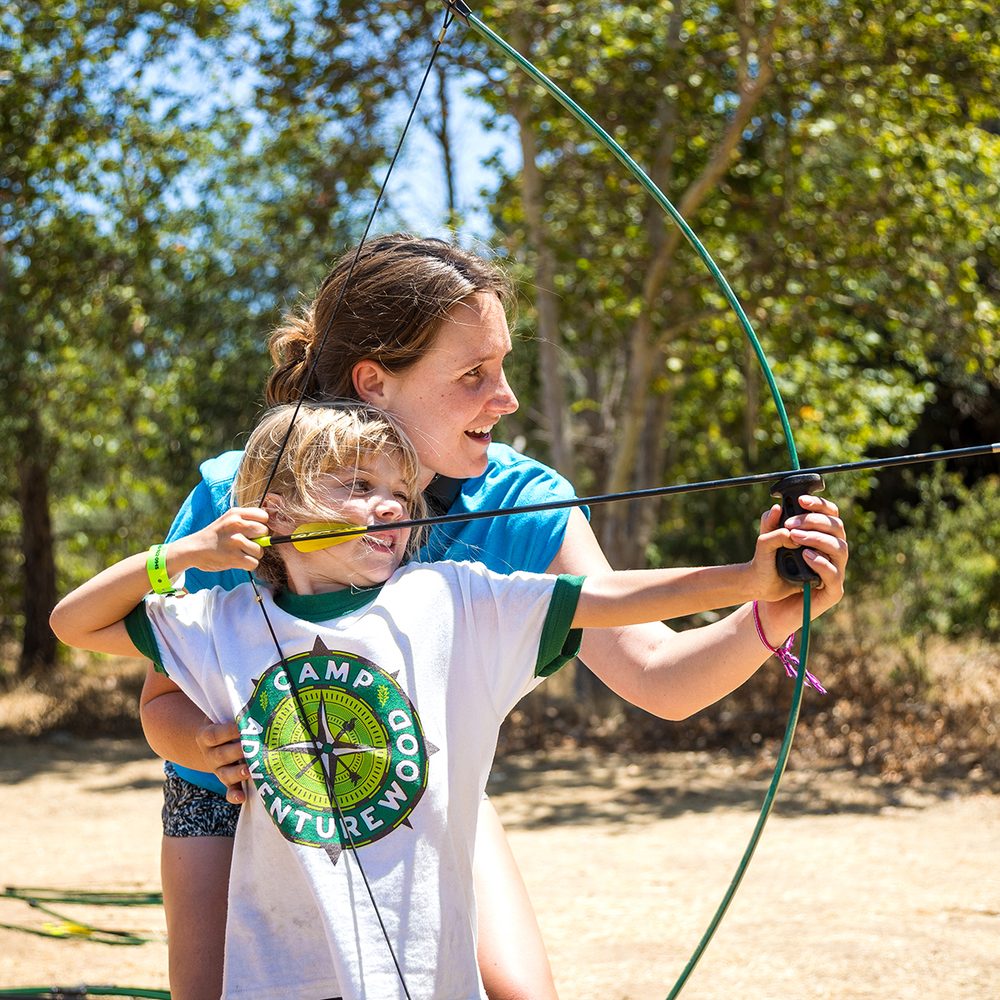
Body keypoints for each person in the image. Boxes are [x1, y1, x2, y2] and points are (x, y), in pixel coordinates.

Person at [137, 234, 849, 1000]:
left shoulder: (524, 500)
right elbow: (160, 704)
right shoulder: (247, 499)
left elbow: (660, 677)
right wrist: (214, 748)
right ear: (374, 382)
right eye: (474, 374)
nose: (505, 398)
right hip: (234, 796)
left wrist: (771, 607)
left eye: (503, 366)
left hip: (412, 788)